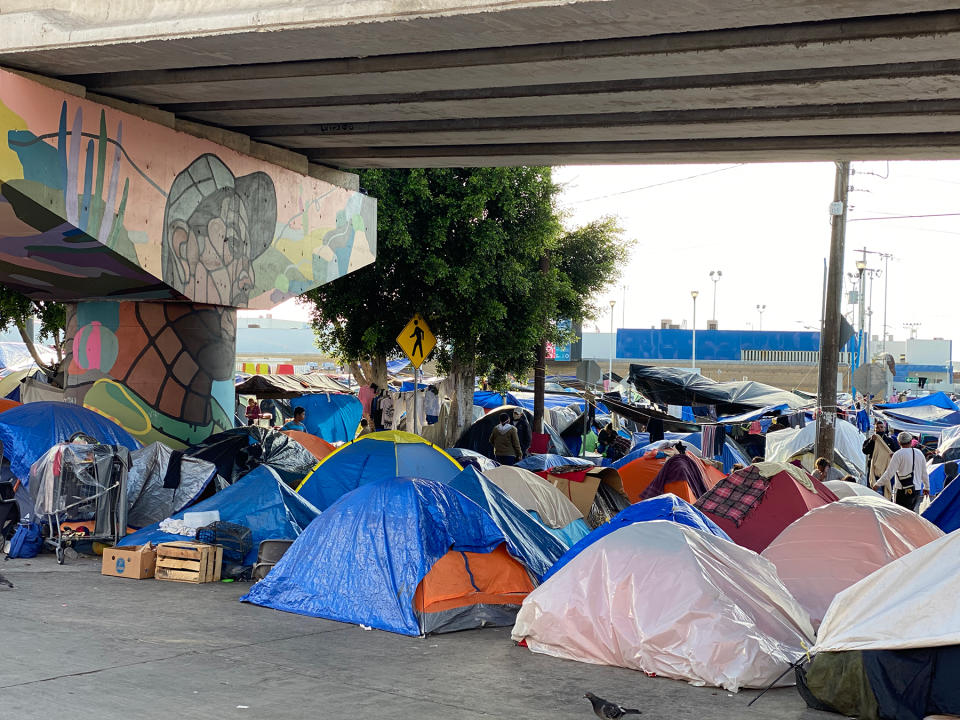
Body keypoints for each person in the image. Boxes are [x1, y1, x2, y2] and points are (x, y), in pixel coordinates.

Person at [876, 431, 929, 511]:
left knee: (901, 515)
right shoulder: (919, 453)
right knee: (911, 513)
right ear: (911, 441)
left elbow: (889, 474)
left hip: (902, 490)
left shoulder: (898, 454)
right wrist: (926, 487)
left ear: (899, 442)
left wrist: (877, 484)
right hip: (916, 489)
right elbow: (924, 472)